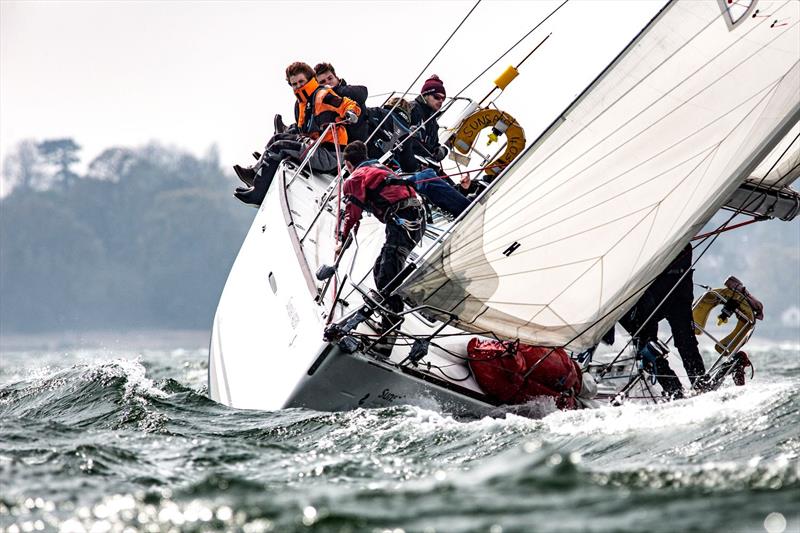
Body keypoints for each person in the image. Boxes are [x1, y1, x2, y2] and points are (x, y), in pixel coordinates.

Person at [233, 62, 361, 205]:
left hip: (330, 155)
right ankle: (254, 174)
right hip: (316, 147)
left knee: (279, 147)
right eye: (294, 84)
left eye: (301, 81)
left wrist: (351, 112)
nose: (298, 86)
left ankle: (258, 194)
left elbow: (347, 104)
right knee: (277, 138)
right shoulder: (301, 102)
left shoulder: (322, 95)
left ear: (310, 79)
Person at [338, 141, 425, 318]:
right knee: (382, 268)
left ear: (348, 164)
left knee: (386, 275)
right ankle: (393, 307)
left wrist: (341, 242)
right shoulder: (380, 167)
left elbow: (352, 215)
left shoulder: (354, 178)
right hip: (418, 220)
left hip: (403, 223)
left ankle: (391, 322)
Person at [618, 243, 707, 397]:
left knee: (649, 346)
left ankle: (678, 388)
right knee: (684, 342)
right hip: (672, 292)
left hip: (659, 296)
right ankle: (696, 383)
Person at [314, 62, 369, 142]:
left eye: (330, 78)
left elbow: (362, 93)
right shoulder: (318, 105)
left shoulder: (351, 90)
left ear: (336, 77)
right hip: (336, 148)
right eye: (322, 82)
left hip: (362, 143)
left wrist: (332, 91)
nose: (327, 82)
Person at [409, 75, 449, 164]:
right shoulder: (411, 108)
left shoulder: (433, 123)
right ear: (425, 95)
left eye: (443, 99)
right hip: (404, 161)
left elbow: (433, 146)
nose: (441, 101)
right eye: (437, 97)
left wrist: (441, 150)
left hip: (422, 165)